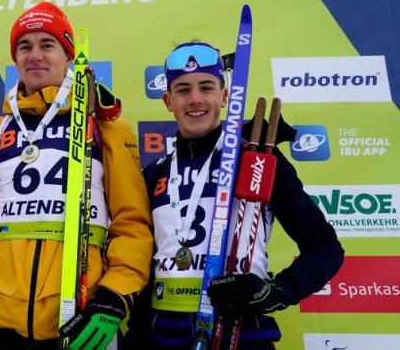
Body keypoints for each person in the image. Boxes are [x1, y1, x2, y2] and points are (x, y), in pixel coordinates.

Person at [0, 1, 153, 350]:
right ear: (15, 60)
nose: (35, 55)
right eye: (24, 46)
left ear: (68, 56)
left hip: (79, 314)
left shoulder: (106, 128)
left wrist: (114, 296)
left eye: (47, 45)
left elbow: (133, 224)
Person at [130, 42, 344, 349]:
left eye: (206, 87)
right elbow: (144, 266)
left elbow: (324, 247)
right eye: (182, 89)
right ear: (168, 101)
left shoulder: (256, 159)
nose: (195, 99)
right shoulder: (155, 175)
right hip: (165, 336)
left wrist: (277, 292)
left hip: (241, 333)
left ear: (225, 95)